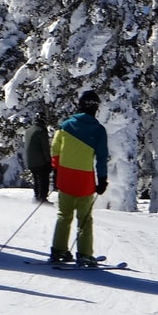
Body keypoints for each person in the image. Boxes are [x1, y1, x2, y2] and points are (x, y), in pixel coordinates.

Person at [49, 90, 109, 268]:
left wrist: (57, 172)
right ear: (96, 108)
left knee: (63, 215)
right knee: (84, 219)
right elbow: (101, 158)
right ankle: (84, 254)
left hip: (65, 177)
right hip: (84, 181)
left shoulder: (66, 126)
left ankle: (58, 250)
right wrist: (102, 180)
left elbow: (55, 149)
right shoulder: (98, 130)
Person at [24, 117, 53, 203]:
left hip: (31, 161)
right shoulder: (41, 130)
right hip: (40, 160)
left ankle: (37, 196)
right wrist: (48, 161)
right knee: (44, 179)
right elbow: (45, 147)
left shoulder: (28, 130)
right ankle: (43, 197)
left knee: (36, 179)